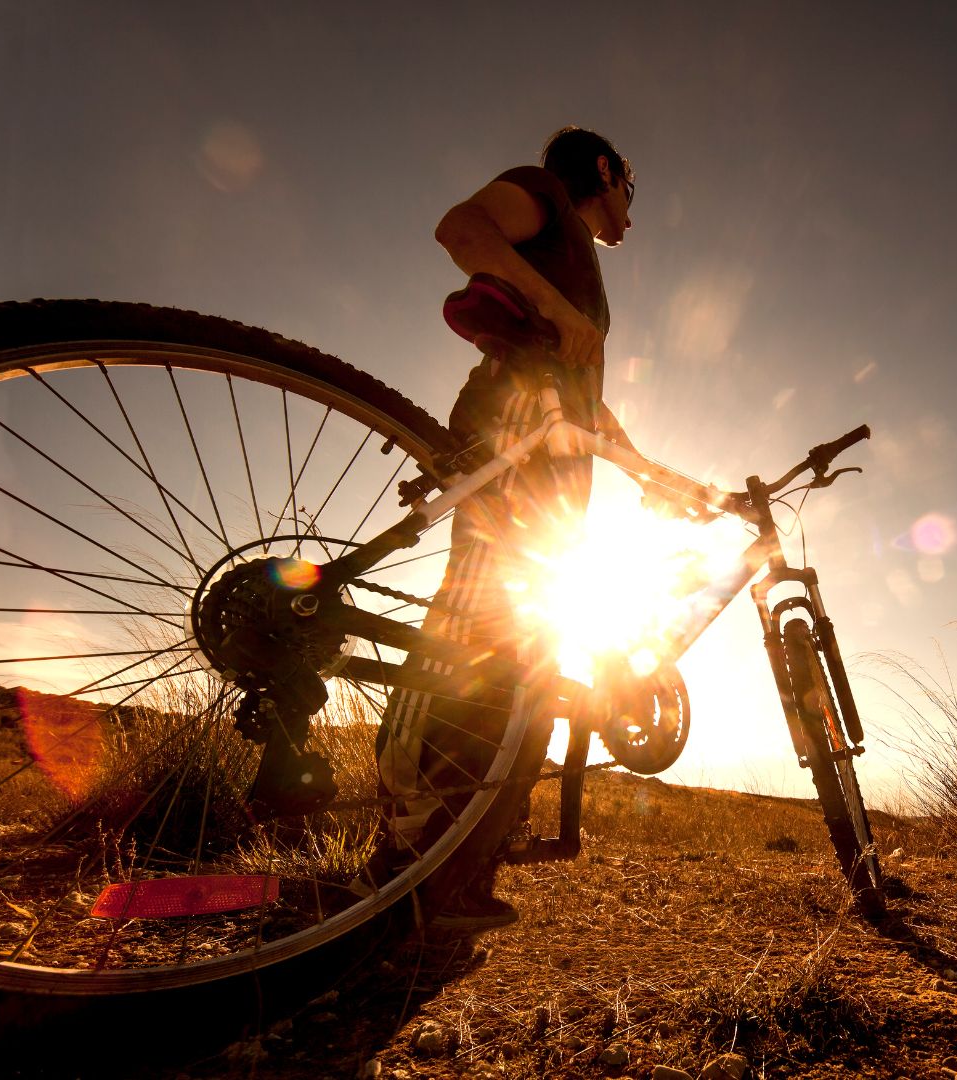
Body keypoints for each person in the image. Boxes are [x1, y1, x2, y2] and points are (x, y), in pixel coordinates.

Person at [372, 126, 643, 932]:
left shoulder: (580, 262)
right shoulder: (545, 196)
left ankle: (457, 865)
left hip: (554, 474)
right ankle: (410, 845)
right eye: (632, 187)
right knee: (477, 632)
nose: (633, 208)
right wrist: (558, 306)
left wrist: (647, 471)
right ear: (604, 172)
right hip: (507, 440)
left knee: (521, 657)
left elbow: (583, 390)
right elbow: (461, 229)